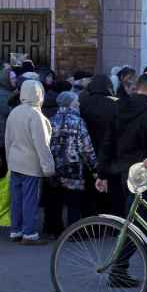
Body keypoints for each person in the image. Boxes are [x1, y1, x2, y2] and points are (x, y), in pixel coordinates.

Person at [101, 72, 147, 277]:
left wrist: (102, 173)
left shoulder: (118, 108)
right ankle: (120, 269)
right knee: (140, 224)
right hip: (144, 174)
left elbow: (108, 142)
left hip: (122, 173)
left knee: (136, 221)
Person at [4, 79, 55, 245]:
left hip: (15, 162)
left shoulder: (14, 112)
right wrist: (49, 168)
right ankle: (29, 233)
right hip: (31, 165)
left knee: (16, 199)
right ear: (39, 94)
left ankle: (15, 230)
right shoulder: (36, 116)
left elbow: (8, 140)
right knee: (30, 200)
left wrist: (8, 160)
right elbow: (42, 145)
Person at [49, 91, 96, 233]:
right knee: (73, 202)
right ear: (70, 104)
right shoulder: (78, 122)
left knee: (55, 201)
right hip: (74, 167)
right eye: (76, 102)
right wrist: (94, 165)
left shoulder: (51, 120)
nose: (79, 104)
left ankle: (54, 230)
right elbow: (86, 147)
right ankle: (73, 232)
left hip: (55, 166)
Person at [80, 74, 118, 217]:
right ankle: (109, 222)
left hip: (87, 151)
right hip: (109, 152)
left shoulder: (83, 102)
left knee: (89, 189)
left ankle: (89, 221)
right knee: (110, 188)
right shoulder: (116, 104)